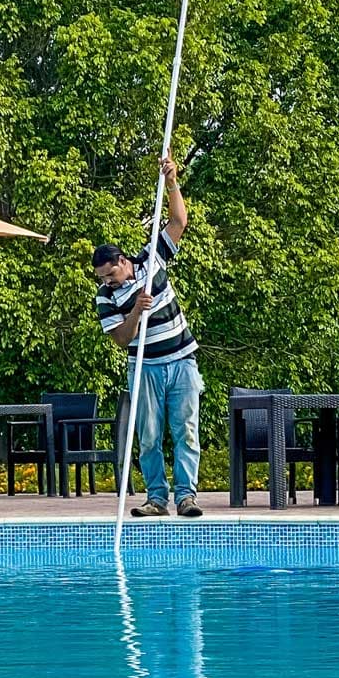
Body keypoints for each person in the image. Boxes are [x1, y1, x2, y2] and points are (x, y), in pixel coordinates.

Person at [93, 155, 203, 517]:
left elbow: (179, 222)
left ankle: (186, 497)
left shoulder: (151, 259)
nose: (107, 282)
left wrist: (171, 182)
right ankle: (157, 498)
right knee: (150, 435)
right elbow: (121, 339)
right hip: (145, 368)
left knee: (186, 431)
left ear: (123, 262)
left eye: (110, 274)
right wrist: (137, 312)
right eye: (102, 278)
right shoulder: (106, 298)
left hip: (182, 360)